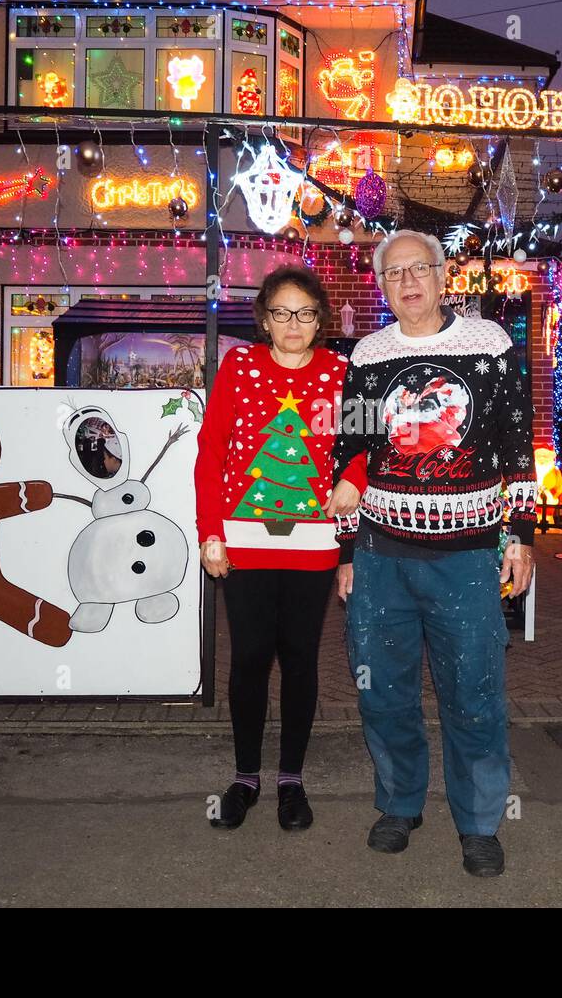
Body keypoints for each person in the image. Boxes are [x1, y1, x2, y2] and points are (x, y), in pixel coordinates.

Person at [329, 229, 537, 877]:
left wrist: (521, 534)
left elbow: (515, 445)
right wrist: (346, 553)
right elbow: (351, 455)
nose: (409, 281)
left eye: (420, 268)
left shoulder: (490, 342)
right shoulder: (369, 353)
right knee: (381, 690)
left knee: (474, 691)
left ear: (443, 276)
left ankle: (478, 823)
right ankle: (399, 803)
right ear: (383, 286)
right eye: (395, 273)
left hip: (468, 555)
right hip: (379, 552)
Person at [194, 265, 366, 832]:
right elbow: (211, 450)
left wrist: (355, 484)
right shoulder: (239, 365)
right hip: (242, 541)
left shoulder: (342, 372)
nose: (294, 323)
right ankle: (246, 777)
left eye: (306, 313)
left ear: (319, 319)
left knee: (299, 659)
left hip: (315, 543)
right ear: (265, 320)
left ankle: (291, 778)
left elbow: (366, 444)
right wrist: (210, 532)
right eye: (282, 313)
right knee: (247, 658)